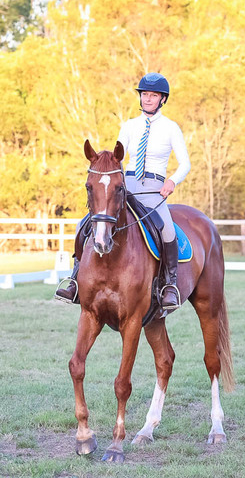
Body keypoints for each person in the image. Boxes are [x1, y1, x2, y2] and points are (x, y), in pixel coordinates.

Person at [55, 72, 191, 312]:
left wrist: (172, 181)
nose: (148, 99)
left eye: (153, 95)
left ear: (162, 99)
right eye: (145, 95)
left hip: (154, 189)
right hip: (126, 186)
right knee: (83, 224)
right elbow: (117, 156)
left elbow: (185, 164)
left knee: (167, 230)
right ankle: (75, 278)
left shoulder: (171, 128)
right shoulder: (129, 126)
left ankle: (169, 284)